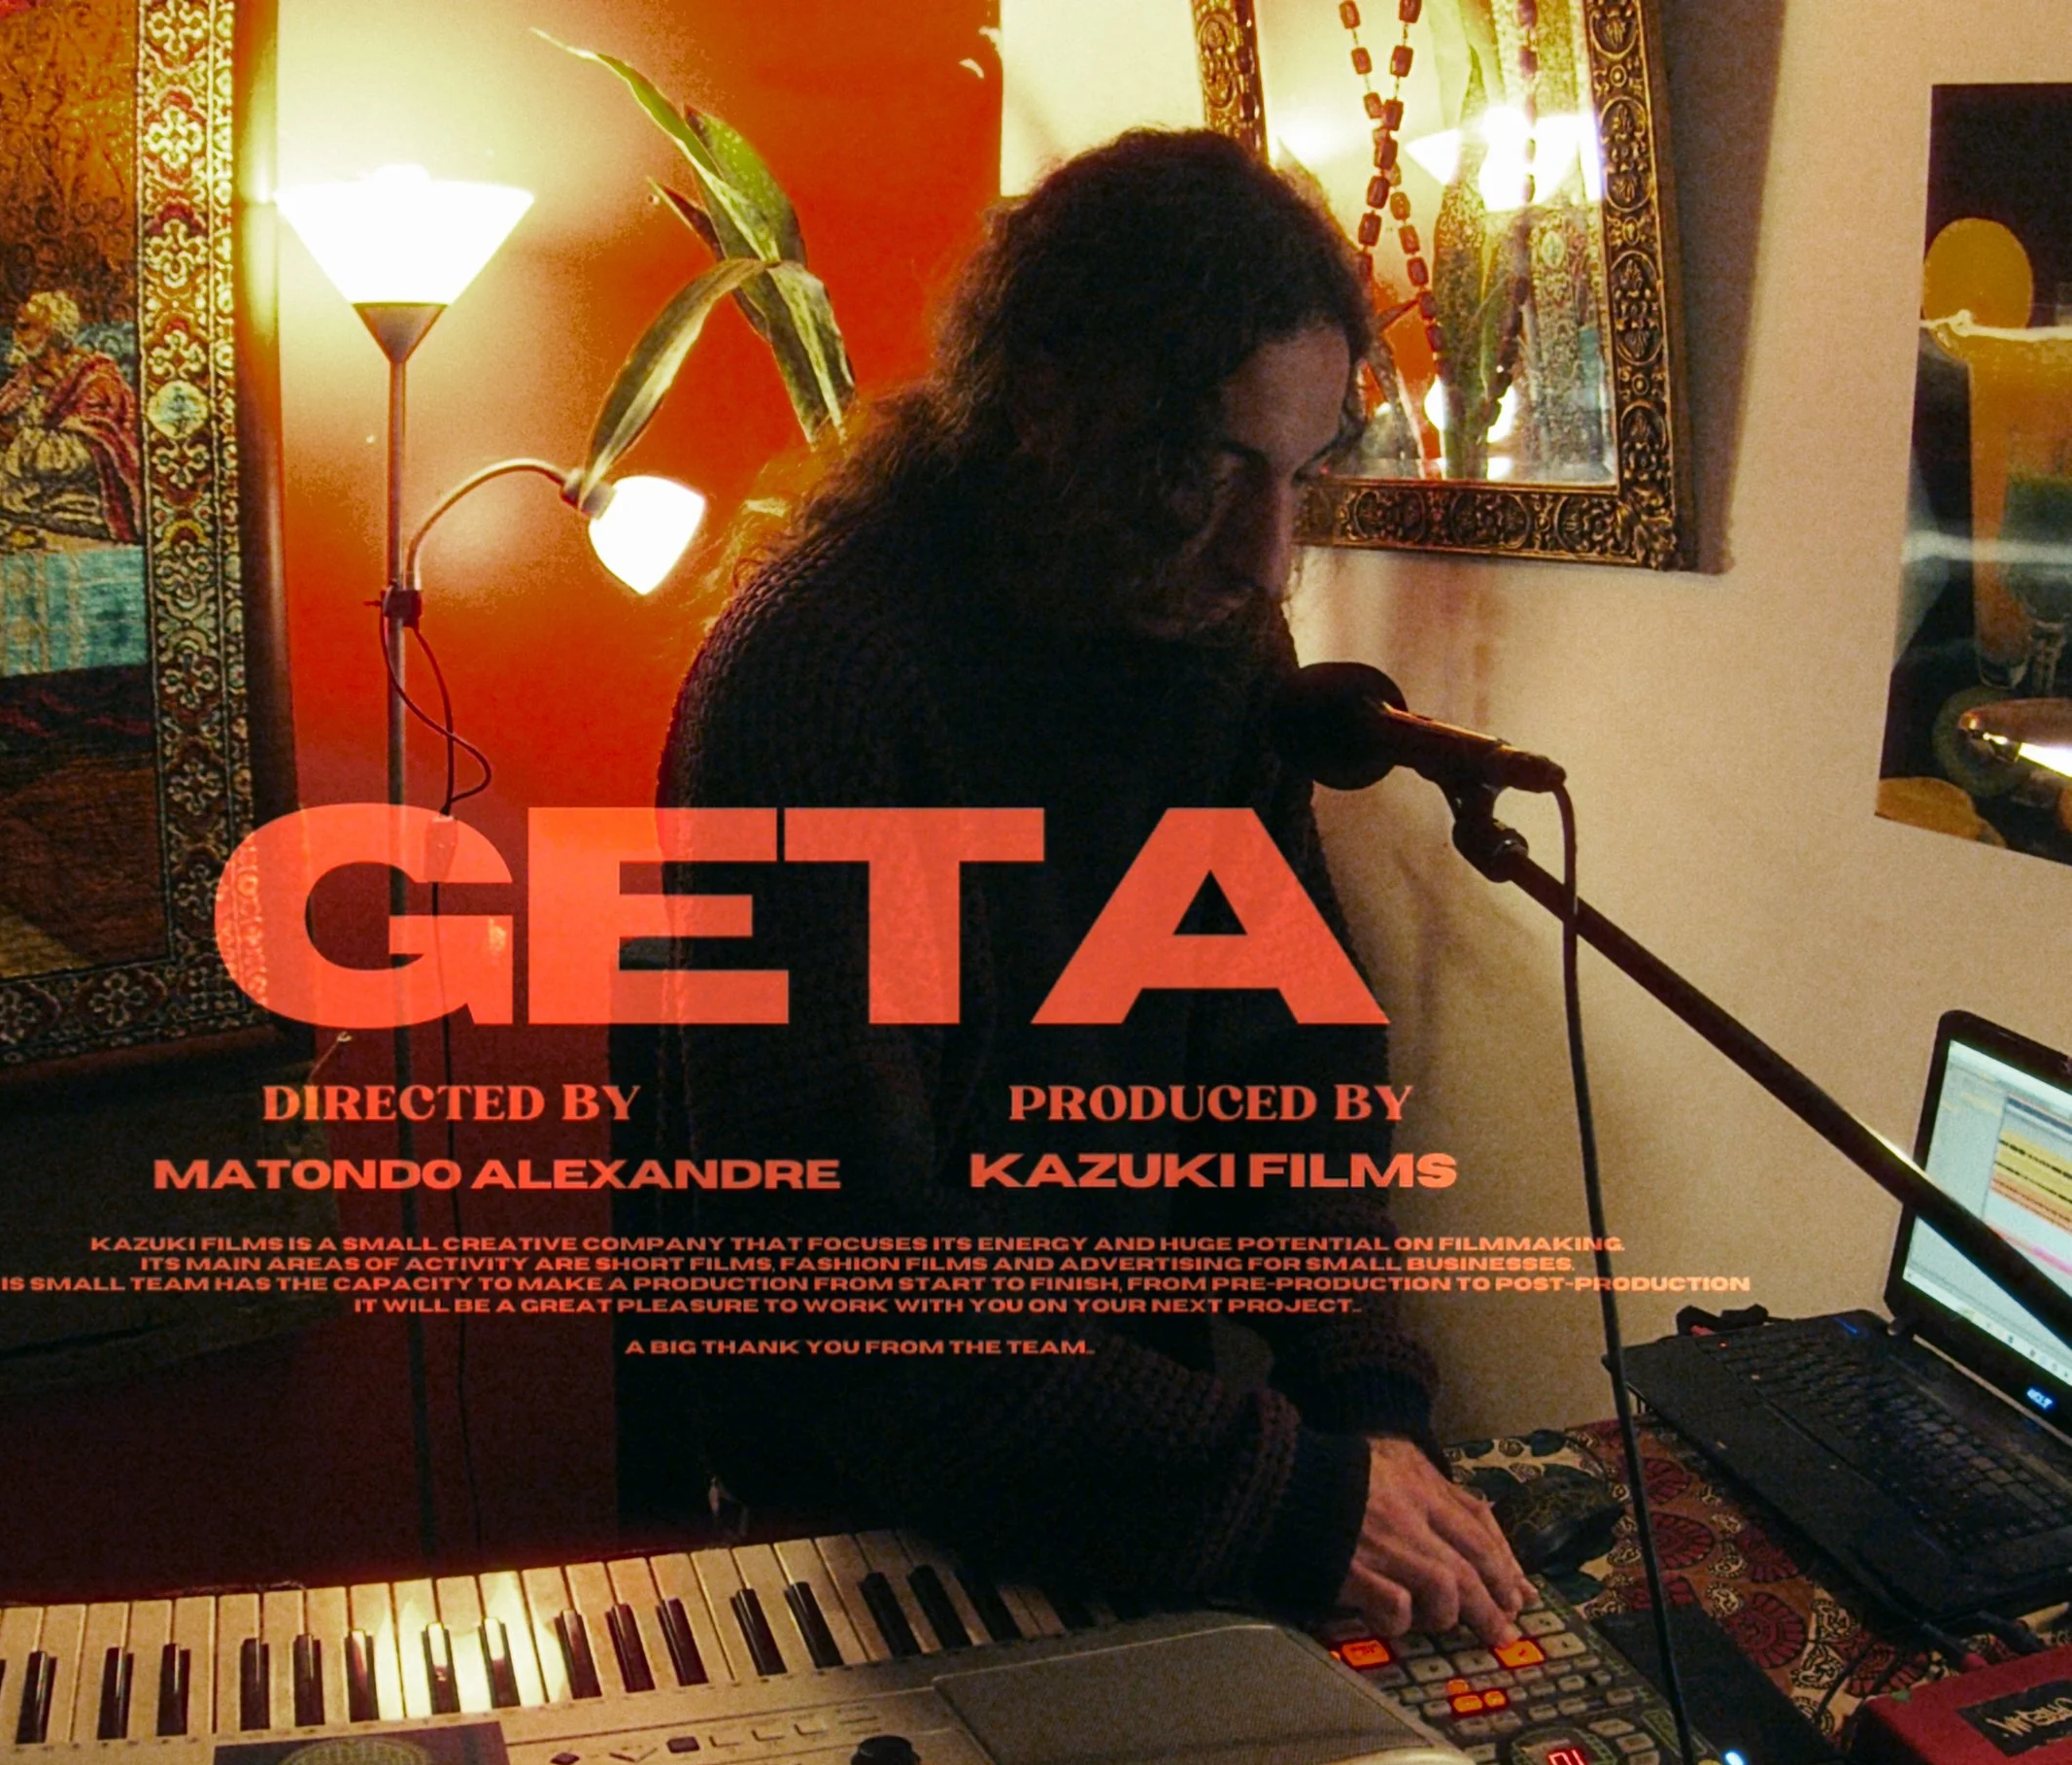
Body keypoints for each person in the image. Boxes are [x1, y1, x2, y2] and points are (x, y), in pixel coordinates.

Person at [619, 130, 1533, 1645]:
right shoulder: (830, 677)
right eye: (1217, 469)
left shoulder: (1208, 647)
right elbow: (854, 1267)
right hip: (846, 1505)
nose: (1269, 558)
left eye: (1300, 476)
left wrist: (1369, 1405)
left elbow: (1287, 1071)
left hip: (1116, 1446)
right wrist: (1293, 1489)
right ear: (1046, 406)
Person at [0, 289, 143, 540]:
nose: (14, 337)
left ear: (51, 332)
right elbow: (6, 451)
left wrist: (13, 438)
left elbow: (87, 456)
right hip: (24, 506)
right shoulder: (23, 382)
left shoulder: (97, 381)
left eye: (25, 328)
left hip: (82, 509)